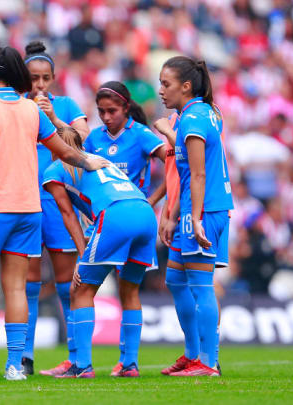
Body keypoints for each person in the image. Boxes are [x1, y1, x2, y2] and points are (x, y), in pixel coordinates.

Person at [0, 46, 106, 382]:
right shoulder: (32, 110)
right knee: (16, 288)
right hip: (28, 209)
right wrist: (89, 161)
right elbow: (63, 150)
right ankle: (15, 365)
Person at [43, 127, 158, 378]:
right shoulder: (101, 160)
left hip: (115, 215)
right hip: (146, 213)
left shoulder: (55, 169)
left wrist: (82, 255)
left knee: (80, 289)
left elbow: (67, 215)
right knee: (130, 290)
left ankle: (82, 365)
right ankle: (130, 364)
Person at [82, 81, 166, 375]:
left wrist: (154, 199)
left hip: (130, 217)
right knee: (125, 290)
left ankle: (119, 361)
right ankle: (126, 362)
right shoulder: (93, 139)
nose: (106, 117)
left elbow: (172, 162)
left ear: (126, 109)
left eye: (112, 111)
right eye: (101, 111)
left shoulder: (142, 135)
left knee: (109, 288)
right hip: (109, 220)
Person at [158, 56, 232, 376]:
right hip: (193, 208)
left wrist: (195, 218)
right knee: (175, 279)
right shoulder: (206, 113)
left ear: (186, 86)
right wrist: (173, 214)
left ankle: (208, 361)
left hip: (203, 210)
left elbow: (198, 175)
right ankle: (192, 355)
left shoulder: (192, 120)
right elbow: (187, 171)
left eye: (166, 84)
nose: (161, 91)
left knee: (201, 286)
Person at [22, 40, 89, 377]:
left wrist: (53, 119)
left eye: (45, 78)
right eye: (34, 78)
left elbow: (82, 138)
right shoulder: (15, 105)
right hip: (24, 200)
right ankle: (25, 356)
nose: (40, 85)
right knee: (29, 283)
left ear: (53, 78)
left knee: (67, 282)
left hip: (57, 199)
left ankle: (77, 355)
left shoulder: (64, 104)